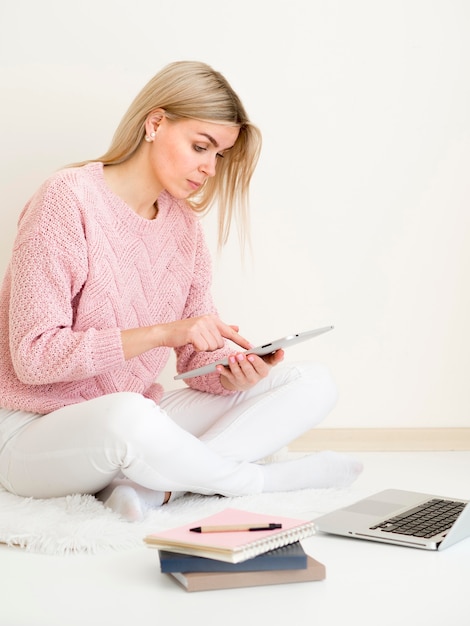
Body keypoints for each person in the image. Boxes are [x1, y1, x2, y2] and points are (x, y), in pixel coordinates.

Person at [0, 60, 362, 522]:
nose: (209, 168)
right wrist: (161, 333)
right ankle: (256, 482)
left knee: (311, 383)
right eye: (200, 146)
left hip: (134, 423)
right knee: (130, 415)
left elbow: (194, 365)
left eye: (219, 155)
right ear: (155, 123)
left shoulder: (184, 229)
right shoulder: (67, 199)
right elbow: (33, 357)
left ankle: (153, 490)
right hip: (33, 433)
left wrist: (230, 372)